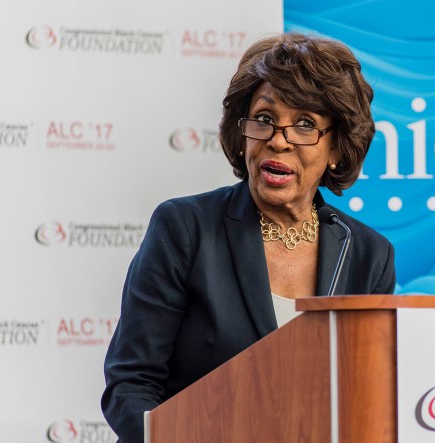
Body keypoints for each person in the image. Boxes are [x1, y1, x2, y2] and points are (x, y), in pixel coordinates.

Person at [101, 32, 396, 443]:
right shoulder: (185, 228)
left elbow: (367, 400)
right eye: (264, 118)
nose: (278, 139)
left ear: (336, 149)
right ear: (243, 136)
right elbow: (130, 387)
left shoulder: (367, 254)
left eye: (306, 124)